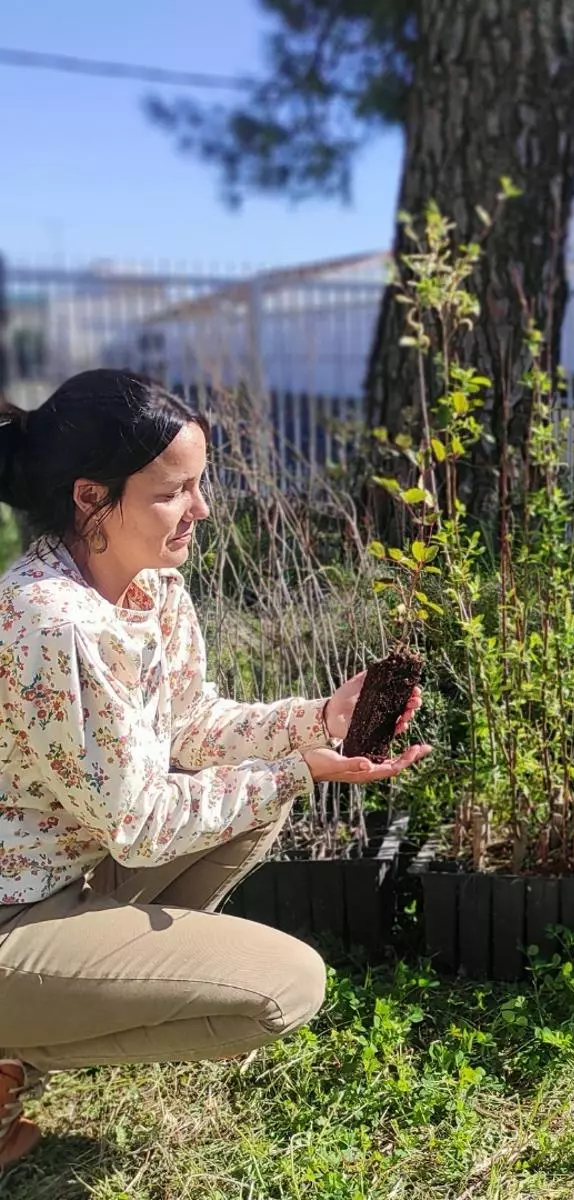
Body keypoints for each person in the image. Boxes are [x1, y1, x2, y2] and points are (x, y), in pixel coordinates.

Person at [0, 370, 431, 1170]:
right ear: (91, 497)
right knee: (286, 986)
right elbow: (140, 823)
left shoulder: (153, 589)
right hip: (12, 916)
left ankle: (25, 1039)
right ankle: (19, 1042)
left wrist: (318, 722)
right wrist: (300, 772)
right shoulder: (52, 624)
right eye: (175, 493)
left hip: (68, 879)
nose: (201, 510)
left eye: (202, 485)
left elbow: (194, 727)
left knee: (254, 794)